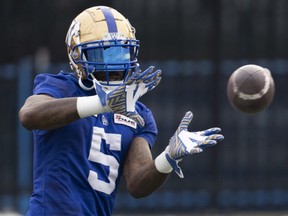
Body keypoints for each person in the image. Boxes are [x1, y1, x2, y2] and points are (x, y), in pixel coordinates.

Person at [19, 5, 224, 216]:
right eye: (101, 53)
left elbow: (137, 183)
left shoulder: (139, 114)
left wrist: (168, 158)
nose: (114, 63)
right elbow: (29, 115)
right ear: (77, 56)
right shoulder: (61, 88)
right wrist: (102, 104)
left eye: (120, 52)